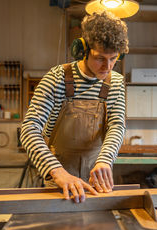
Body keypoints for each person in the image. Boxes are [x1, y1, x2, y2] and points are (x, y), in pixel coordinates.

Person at [21, 11, 128, 203]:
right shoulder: (57, 78)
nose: (108, 67)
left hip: (98, 180)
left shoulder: (116, 83)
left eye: (114, 58)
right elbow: (29, 129)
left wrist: (105, 159)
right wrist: (57, 172)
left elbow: (116, 126)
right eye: (100, 58)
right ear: (83, 49)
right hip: (59, 181)